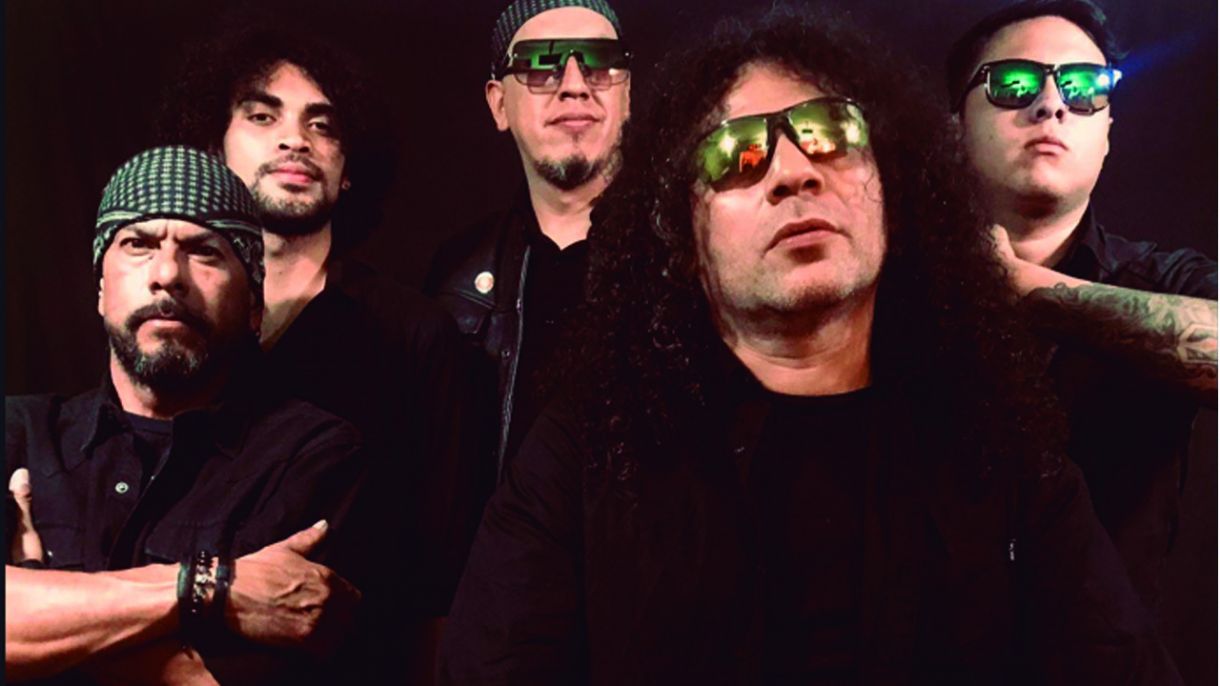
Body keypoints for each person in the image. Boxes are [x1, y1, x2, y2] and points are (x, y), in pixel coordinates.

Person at [440, 8, 1180, 684]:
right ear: (684, 238)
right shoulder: (586, 452)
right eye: (736, 154)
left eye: (831, 134)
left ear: (894, 192)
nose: (794, 171)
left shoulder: (1001, 446)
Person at [156, 26, 477, 681]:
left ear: (349, 167)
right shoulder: (167, 320)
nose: (294, 139)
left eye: (321, 125)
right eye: (263, 115)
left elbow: (442, 577)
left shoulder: (415, 334)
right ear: (213, 147)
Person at [5, 146, 366, 685]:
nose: (167, 274)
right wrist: (212, 589)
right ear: (101, 290)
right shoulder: (17, 432)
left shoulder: (312, 457)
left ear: (253, 307)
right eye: (138, 244)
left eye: (204, 252)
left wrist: (39, 609)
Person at [946, 0, 1217, 614]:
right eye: (1013, 83)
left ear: (1107, 135)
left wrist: (1018, 286)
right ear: (955, 127)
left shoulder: (1161, 281)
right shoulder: (882, 286)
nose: (1052, 104)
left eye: (1085, 86)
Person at [425, 0, 632, 482]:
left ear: (628, 96)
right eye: (541, 63)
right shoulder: (455, 279)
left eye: (600, 61)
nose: (575, 85)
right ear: (499, 104)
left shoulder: (691, 255)